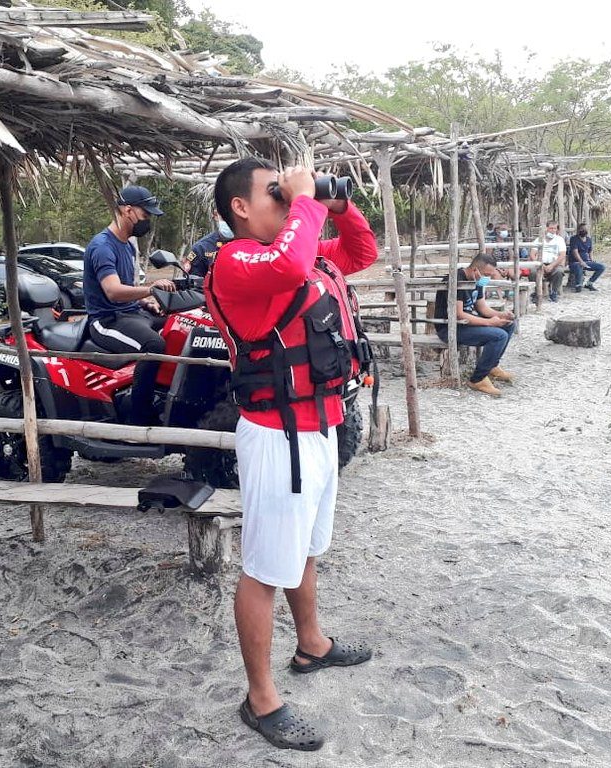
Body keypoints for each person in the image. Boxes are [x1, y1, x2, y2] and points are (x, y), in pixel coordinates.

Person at [205, 158, 378, 751]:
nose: (286, 201)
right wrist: (304, 199)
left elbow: (361, 252)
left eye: (288, 193)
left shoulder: (303, 250)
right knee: (263, 569)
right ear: (240, 208)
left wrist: (337, 204)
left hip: (321, 427)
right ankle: (260, 699)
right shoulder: (235, 262)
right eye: (273, 193)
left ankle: (312, 645)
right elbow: (289, 263)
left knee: (305, 547)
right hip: (277, 436)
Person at [83, 185, 175, 425]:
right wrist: (151, 289)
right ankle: (139, 419)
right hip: (106, 320)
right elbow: (113, 291)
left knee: (177, 325)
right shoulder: (102, 246)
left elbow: (128, 287)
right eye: (145, 215)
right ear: (127, 210)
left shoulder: (127, 245)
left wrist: (145, 302)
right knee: (153, 345)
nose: (147, 221)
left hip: (131, 313)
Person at [434, 253, 516, 397]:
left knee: (508, 325)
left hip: (466, 324)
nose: (487, 278)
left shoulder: (477, 281)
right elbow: (459, 314)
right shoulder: (456, 280)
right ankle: (477, 379)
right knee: (499, 336)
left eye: (490, 275)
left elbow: (482, 308)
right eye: (486, 275)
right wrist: (490, 322)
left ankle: (491, 366)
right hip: (450, 327)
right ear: (475, 270)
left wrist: (501, 315)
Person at [188, 211, 233, 278]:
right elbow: (194, 281)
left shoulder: (249, 243)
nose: (229, 221)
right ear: (216, 215)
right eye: (225, 217)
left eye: (233, 217)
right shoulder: (201, 248)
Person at [530, 221, 566, 303]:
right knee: (533, 272)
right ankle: (536, 292)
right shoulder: (539, 239)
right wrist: (541, 265)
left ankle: (554, 292)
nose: (553, 230)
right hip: (540, 264)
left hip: (555, 264)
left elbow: (562, 255)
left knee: (559, 271)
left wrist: (552, 265)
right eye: (551, 228)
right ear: (546, 228)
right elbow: (532, 254)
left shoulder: (560, 240)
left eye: (555, 228)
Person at [567, 223, 605, 292]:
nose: (584, 230)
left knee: (602, 267)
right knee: (579, 265)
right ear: (578, 230)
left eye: (585, 229)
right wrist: (581, 262)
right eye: (582, 229)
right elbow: (575, 252)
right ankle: (578, 285)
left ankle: (589, 283)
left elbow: (590, 251)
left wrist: (591, 260)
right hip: (575, 262)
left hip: (586, 262)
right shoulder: (574, 239)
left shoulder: (589, 239)